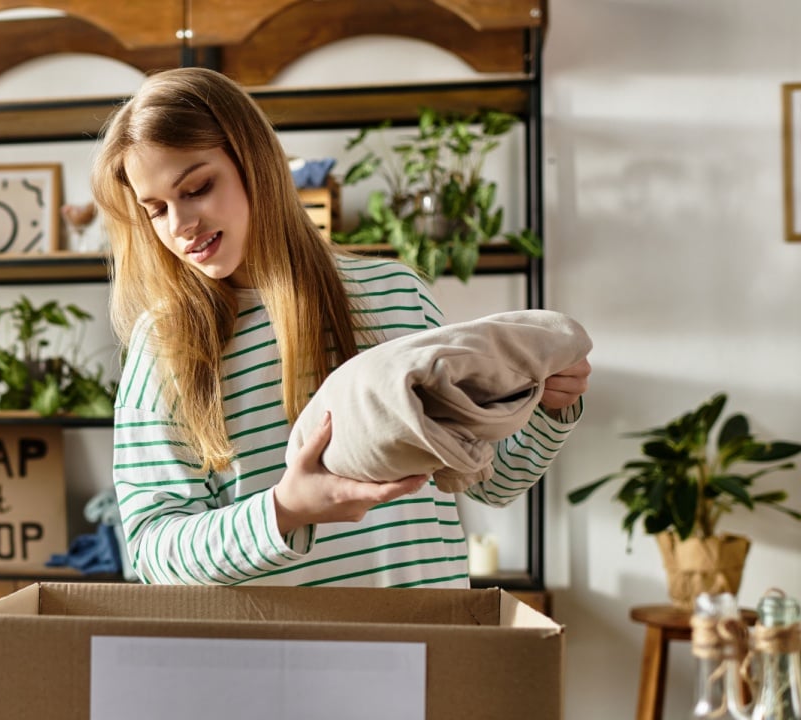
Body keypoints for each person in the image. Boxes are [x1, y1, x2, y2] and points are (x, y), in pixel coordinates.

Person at [90, 67, 590, 587]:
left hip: (427, 645)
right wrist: (285, 510)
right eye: (155, 210)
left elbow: (490, 480)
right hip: (276, 660)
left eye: (197, 188)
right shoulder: (166, 346)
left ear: (254, 163)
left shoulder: (396, 294)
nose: (179, 225)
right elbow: (151, 552)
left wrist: (553, 408)